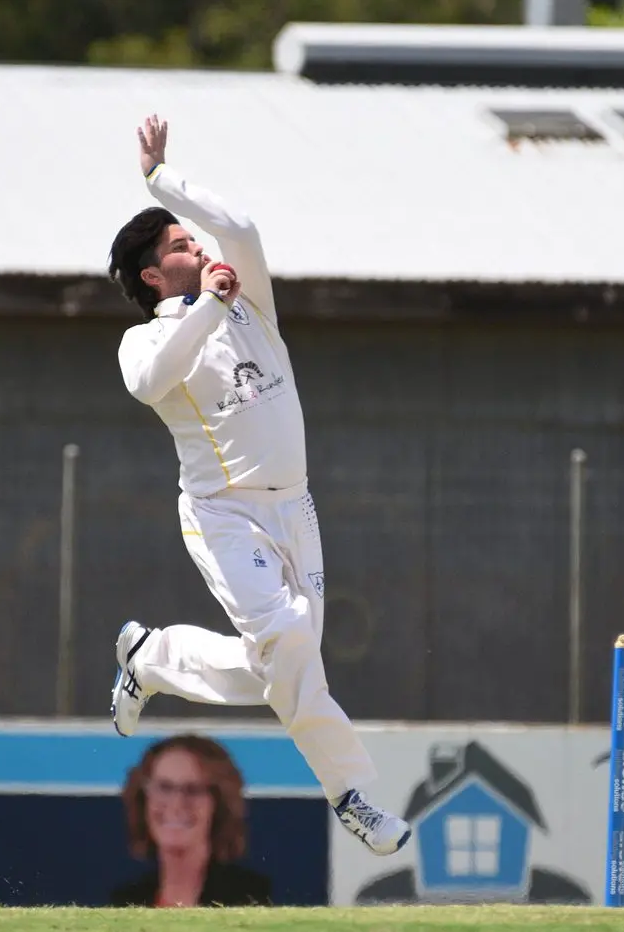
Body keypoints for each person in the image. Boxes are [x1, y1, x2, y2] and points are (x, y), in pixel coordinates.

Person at [104, 114, 409, 858]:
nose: (200, 247)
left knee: (286, 659)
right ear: (154, 275)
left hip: (295, 507)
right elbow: (151, 380)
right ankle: (351, 794)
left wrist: (160, 179)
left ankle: (154, 657)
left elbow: (238, 222)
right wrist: (206, 303)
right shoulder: (146, 337)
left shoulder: (251, 303)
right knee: (287, 643)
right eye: (181, 245)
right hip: (223, 513)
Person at [110, 734, 272, 907]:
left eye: (193, 790)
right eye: (164, 787)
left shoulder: (249, 898)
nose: (177, 804)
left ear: (219, 803)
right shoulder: (126, 901)